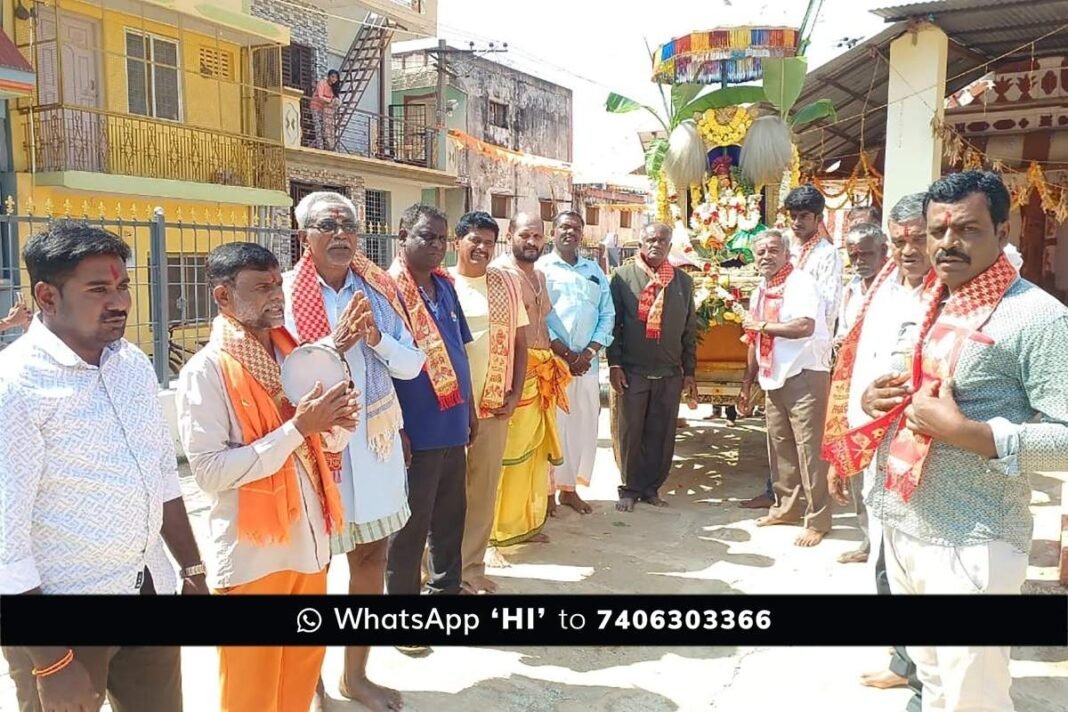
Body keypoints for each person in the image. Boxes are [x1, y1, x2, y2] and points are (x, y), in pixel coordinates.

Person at [843, 171, 1068, 711]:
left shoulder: (1039, 317)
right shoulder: (934, 303)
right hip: (904, 521)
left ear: (1003, 229)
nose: (948, 243)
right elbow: (914, 391)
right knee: (933, 683)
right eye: (938, 230)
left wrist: (971, 434)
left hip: (975, 536)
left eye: (967, 229)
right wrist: (880, 401)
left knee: (975, 696)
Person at [1, 221, 206, 712]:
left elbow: (162, 477)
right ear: (47, 297)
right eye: (98, 289)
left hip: (146, 584)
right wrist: (50, 662)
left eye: (123, 286)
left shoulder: (131, 364)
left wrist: (192, 568)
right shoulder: (15, 388)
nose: (119, 302)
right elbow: (4, 541)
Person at [177, 242, 359, 712]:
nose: (276, 296)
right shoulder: (207, 372)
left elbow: (320, 446)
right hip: (254, 555)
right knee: (250, 693)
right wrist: (300, 427)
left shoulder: (294, 357)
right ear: (222, 297)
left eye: (277, 283)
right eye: (260, 288)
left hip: (310, 544)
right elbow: (211, 473)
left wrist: (336, 426)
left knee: (298, 679)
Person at [284, 191, 424, 710]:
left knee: (372, 556)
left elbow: (411, 366)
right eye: (327, 224)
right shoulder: (285, 294)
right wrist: (336, 347)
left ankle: (354, 676)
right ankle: (309, 683)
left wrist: (376, 340)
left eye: (349, 224)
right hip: (317, 455)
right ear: (306, 238)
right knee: (314, 571)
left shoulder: (378, 292)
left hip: (376, 445)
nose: (341, 232)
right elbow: (287, 376)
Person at [825, 192, 930, 709]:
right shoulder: (882, 289)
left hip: (925, 452)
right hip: (874, 441)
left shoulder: (948, 293)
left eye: (918, 238)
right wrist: (846, 440)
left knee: (919, 567)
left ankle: (920, 670)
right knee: (886, 562)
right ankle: (902, 659)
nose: (907, 250)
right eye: (899, 240)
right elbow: (855, 366)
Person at [387, 204, 476, 603]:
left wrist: (469, 409)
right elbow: (379, 368)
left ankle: (446, 589)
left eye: (442, 237)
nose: (437, 245)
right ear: (401, 236)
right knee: (409, 526)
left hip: (453, 423)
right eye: (426, 236)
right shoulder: (386, 291)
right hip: (415, 430)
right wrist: (396, 428)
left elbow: (459, 351)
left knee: (449, 518)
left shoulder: (445, 286)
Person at [741, 184, 842, 509]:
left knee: (808, 444)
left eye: (804, 217)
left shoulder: (826, 255)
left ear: (817, 217)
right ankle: (782, 502)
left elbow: (823, 311)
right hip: (776, 358)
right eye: (793, 216)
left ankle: (817, 514)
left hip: (808, 355)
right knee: (780, 440)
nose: (798, 222)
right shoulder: (780, 248)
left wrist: (780, 324)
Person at [449, 211, 529, 594]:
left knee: (481, 492)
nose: (481, 248)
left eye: (488, 241)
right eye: (473, 240)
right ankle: (429, 572)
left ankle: (469, 568)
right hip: (447, 410)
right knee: (439, 494)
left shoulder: (506, 284)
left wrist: (514, 394)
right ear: (457, 241)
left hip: (493, 406)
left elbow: (520, 342)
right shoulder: (441, 282)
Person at [737, 229, 832, 547]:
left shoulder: (801, 282)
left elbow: (805, 326)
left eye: (773, 250)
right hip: (772, 375)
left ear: (786, 253)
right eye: (760, 251)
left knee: (810, 450)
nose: (766, 256)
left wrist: (761, 326)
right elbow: (754, 339)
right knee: (780, 448)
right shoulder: (761, 290)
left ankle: (818, 520)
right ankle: (785, 509)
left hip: (805, 374)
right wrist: (747, 383)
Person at [490, 212, 572, 541]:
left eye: (537, 236)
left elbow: (543, 324)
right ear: (510, 235)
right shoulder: (499, 274)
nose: (532, 242)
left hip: (542, 373)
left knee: (535, 455)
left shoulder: (539, 275)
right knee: (509, 455)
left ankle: (527, 523)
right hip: (515, 373)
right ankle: (497, 530)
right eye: (525, 235)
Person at [608, 222, 698, 513]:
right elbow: (615, 325)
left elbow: (688, 330)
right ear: (640, 243)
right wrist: (615, 364)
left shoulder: (683, 283)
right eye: (650, 239)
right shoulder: (622, 277)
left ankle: (651, 489)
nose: (655, 245)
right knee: (631, 432)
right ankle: (629, 489)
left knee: (661, 433)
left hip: (670, 373)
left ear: (670, 246)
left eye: (662, 240)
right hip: (633, 370)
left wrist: (690, 371)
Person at [539, 209, 614, 514]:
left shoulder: (593, 270)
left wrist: (589, 352)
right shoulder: (542, 269)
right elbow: (537, 317)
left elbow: (607, 314)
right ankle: (545, 493)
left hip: (588, 366)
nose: (570, 233)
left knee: (582, 427)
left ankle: (569, 490)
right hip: (553, 365)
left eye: (576, 229)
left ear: (582, 234)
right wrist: (566, 353)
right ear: (553, 233)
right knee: (553, 428)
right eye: (564, 228)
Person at [833, 222, 889, 565]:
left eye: (866, 254)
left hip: (884, 391)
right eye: (853, 255)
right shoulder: (851, 289)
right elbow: (843, 329)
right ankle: (868, 542)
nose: (859, 261)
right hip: (852, 388)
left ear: (884, 252)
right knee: (855, 465)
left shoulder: (895, 289)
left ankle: (886, 547)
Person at [310, 69, 341, 150]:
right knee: (318, 127)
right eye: (332, 77)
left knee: (325, 129)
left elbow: (334, 100)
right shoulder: (322, 83)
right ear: (328, 76)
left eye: (336, 78)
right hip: (315, 107)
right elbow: (320, 96)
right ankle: (320, 147)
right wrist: (329, 100)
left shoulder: (333, 88)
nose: (334, 79)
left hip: (324, 110)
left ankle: (325, 146)